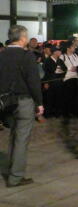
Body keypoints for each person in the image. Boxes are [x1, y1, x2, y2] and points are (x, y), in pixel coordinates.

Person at [0, 25, 43, 187]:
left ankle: (11, 168)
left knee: (13, 135)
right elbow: (33, 82)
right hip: (23, 100)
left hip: (6, 101)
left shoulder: (2, 55)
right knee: (22, 138)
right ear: (23, 38)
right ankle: (15, 177)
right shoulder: (27, 56)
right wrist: (39, 103)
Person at [60, 41, 78, 117]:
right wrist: (69, 68)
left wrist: (77, 68)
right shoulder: (62, 56)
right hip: (67, 79)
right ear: (68, 48)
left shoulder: (75, 55)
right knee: (67, 97)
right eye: (73, 47)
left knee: (75, 97)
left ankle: (74, 112)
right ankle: (66, 113)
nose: (74, 48)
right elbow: (60, 68)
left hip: (75, 78)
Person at [42, 46, 66, 117]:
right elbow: (45, 73)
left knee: (58, 98)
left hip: (59, 82)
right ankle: (48, 114)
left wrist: (62, 71)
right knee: (49, 99)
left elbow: (65, 68)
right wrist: (45, 82)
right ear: (55, 52)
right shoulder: (47, 60)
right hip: (50, 82)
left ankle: (57, 113)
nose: (60, 53)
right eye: (59, 51)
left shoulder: (60, 60)